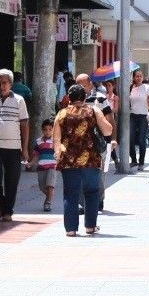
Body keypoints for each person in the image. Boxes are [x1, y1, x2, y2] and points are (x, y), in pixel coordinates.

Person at [55, 84, 111, 237]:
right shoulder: (93, 110)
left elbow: (56, 138)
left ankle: (71, 229)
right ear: (85, 97)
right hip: (90, 160)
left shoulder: (62, 114)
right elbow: (108, 130)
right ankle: (90, 227)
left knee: (70, 193)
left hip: (68, 160)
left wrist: (58, 154)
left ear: (69, 97)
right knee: (92, 192)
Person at [0, 68, 30, 221]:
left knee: (12, 180)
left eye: (5, 83)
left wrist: (25, 148)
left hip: (14, 147)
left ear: (10, 84)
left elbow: (24, 125)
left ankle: (7, 211)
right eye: (0, 83)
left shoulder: (19, 100)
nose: (2, 86)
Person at [126, 68, 149, 168]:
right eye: (137, 76)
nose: (139, 78)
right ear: (133, 77)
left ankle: (141, 162)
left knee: (141, 139)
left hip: (143, 116)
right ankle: (133, 160)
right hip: (133, 115)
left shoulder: (147, 87)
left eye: (141, 76)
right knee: (130, 138)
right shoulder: (130, 88)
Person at [34, 122, 57, 213]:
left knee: (50, 185)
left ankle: (48, 202)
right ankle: (50, 195)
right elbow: (36, 155)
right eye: (45, 130)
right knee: (42, 187)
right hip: (41, 168)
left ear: (53, 130)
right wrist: (31, 163)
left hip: (52, 167)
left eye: (50, 129)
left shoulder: (55, 141)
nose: (47, 131)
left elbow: (60, 152)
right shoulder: (38, 141)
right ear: (42, 130)